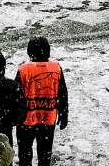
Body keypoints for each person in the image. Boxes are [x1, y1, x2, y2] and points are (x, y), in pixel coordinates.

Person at [15, 37, 67, 166]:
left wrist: (15, 115)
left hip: (26, 120)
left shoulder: (23, 69)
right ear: (48, 52)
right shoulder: (56, 68)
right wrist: (63, 113)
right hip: (48, 119)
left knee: (24, 153)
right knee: (45, 153)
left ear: (29, 52)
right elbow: (63, 94)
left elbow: (16, 95)